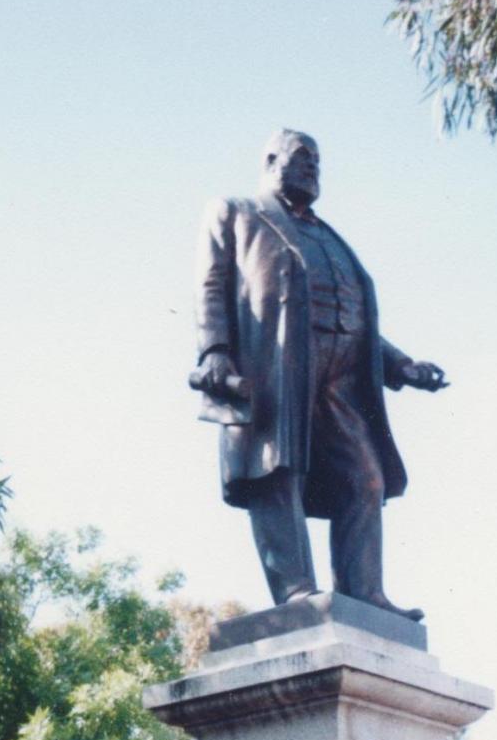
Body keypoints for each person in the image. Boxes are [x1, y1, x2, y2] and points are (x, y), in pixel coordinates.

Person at [190, 129, 448, 622]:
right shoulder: (237, 211)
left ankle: (364, 591)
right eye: (302, 158)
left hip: (344, 378)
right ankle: (296, 591)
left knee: (366, 479)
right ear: (270, 160)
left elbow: (356, 314)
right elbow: (212, 283)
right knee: (276, 471)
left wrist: (402, 366)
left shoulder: (328, 235)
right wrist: (216, 351)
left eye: (318, 163)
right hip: (274, 368)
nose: (313, 169)